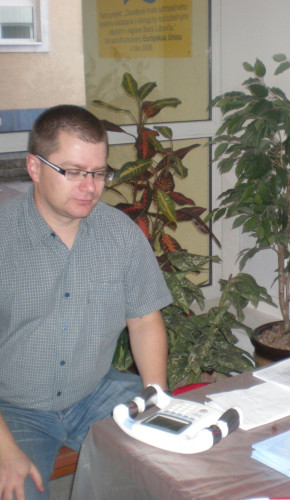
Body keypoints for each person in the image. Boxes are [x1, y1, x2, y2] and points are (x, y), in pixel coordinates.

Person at [0, 105, 172, 499]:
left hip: (94, 392)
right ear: (34, 167)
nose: (90, 187)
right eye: (74, 172)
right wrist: (4, 450)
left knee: (170, 461)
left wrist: (156, 401)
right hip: (14, 407)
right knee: (17, 490)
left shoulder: (120, 233)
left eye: (98, 173)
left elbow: (145, 320)